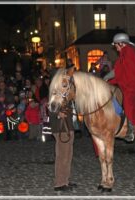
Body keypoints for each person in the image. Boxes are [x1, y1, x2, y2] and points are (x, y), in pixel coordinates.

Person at [49, 63, 77, 191]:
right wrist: (58, 113)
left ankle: (65, 180)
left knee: (68, 155)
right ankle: (59, 183)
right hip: (61, 128)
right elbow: (51, 108)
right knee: (62, 155)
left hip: (68, 126)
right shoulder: (55, 92)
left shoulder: (63, 91)